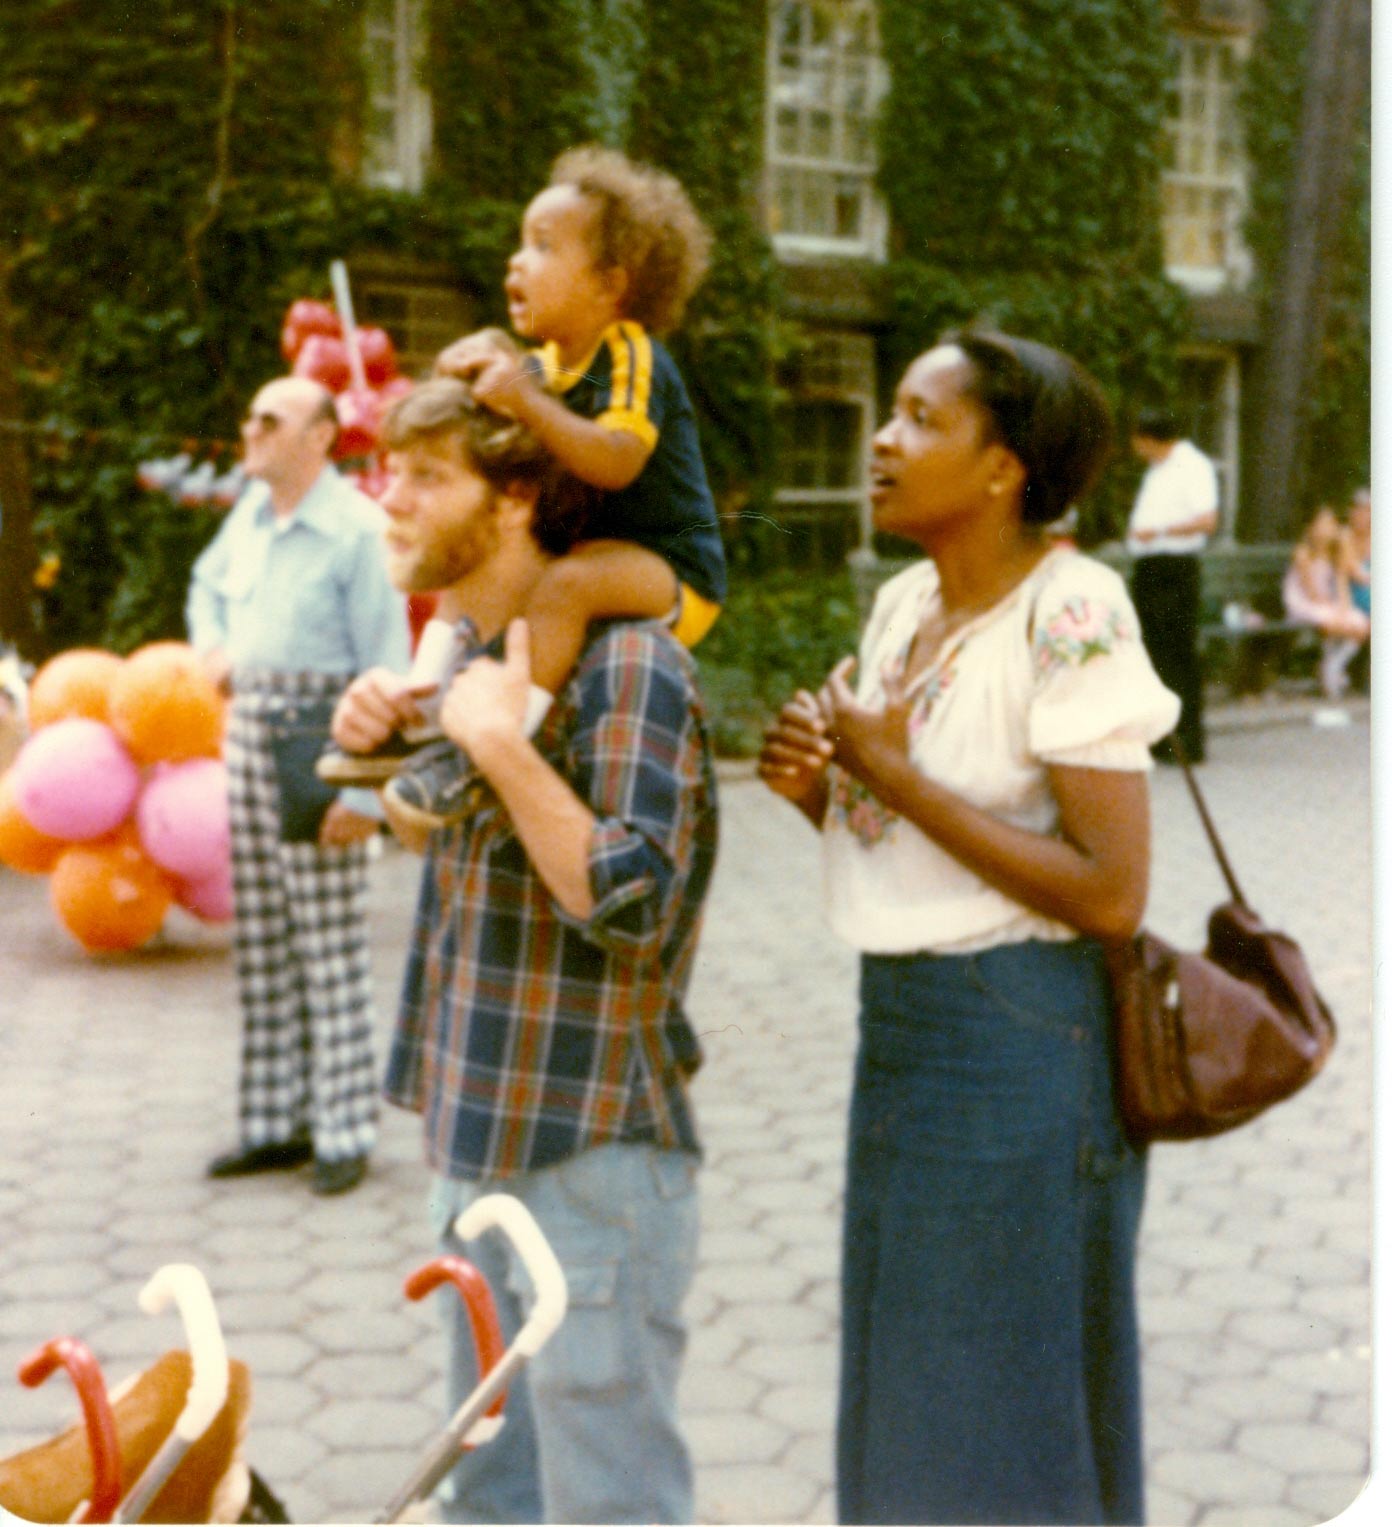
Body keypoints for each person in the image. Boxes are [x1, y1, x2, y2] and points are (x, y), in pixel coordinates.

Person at [759, 329, 1179, 1526]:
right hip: (904, 1030)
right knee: (911, 1379)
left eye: (921, 419)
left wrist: (890, 778)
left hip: (1021, 1040)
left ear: (1005, 469)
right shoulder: (901, 602)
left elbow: (1111, 893)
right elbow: (914, 845)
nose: (882, 442)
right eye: (888, 416)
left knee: (1001, 1396)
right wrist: (822, 796)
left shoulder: (1074, 608)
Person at [331, 377, 717, 1524]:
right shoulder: (471, 658)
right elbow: (434, 825)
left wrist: (499, 746)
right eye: (391, 473)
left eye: (426, 476)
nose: (391, 503)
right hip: (472, 1131)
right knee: (488, 1495)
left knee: (609, 1502)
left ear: (516, 501)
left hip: (589, 1153)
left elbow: (635, 904)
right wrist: (383, 737)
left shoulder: (630, 667)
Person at [322, 145, 727, 831]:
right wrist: (466, 370)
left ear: (610, 286)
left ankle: (492, 754)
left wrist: (525, 399)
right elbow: (512, 398)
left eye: (542, 246)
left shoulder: (630, 352)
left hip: (671, 568)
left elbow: (618, 459)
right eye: (519, 244)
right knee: (475, 556)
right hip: (591, 548)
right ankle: (423, 706)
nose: (517, 261)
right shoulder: (542, 365)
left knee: (565, 587)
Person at [187, 375, 410, 1196]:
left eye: (269, 418)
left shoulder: (358, 530)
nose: (249, 427)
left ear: (320, 437)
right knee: (265, 940)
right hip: (248, 731)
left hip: (320, 738)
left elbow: (383, 664)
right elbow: (206, 587)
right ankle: (274, 1124)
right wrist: (212, 648)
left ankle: (343, 1130)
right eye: (249, 413)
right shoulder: (252, 512)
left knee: (329, 944)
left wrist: (361, 798)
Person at [1126, 408, 1218, 763]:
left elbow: (1207, 521)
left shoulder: (1192, 466)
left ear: (1149, 438)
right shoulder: (1157, 470)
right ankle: (1161, 739)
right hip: (1151, 566)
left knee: (1177, 653)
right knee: (1153, 651)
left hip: (1174, 567)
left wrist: (1159, 531)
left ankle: (1189, 741)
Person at [1282, 504, 1369, 702]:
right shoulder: (1303, 552)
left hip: (1326, 604)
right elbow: (1311, 592)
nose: (1327, 528)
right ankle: (1330, 674)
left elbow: (1341, 586)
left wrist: (1343, 609)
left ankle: (1333, 665)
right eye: (1322, 523)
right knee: (1333, 623)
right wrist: (1333, 609)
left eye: (1330, 523)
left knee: (1359, 623)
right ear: (1310, 527)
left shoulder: (1335, 552)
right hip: (1303, 603)